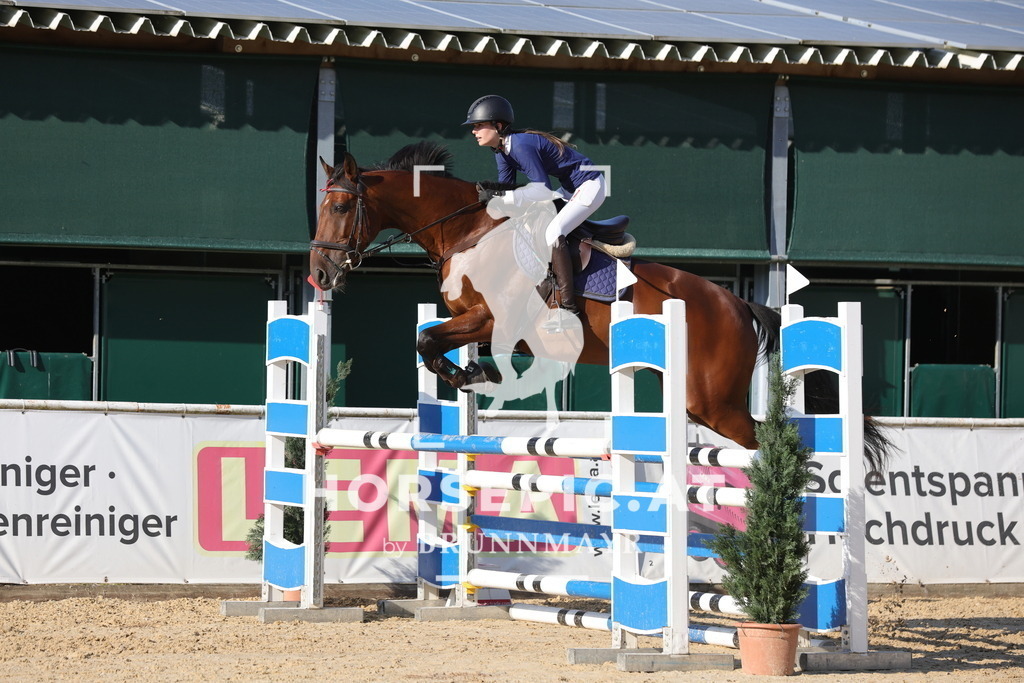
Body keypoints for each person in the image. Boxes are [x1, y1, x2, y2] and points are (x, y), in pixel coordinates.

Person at [463, 94, 607, 319]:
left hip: (590, 185)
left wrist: (498, 195)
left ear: (498, 126)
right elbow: (508, 187)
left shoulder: (520, 145)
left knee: (553, 232)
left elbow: (542, 191)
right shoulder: (502, 152)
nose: (474, 131)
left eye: (479, 125)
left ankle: (569, 308)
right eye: (474, 126)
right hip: (570, 188)